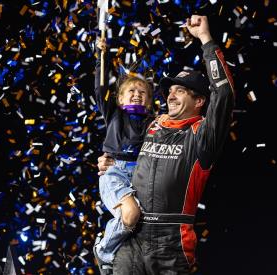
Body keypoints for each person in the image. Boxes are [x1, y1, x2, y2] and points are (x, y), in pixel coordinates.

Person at [97, 15, 235, 274]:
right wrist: (107, 160)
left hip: (172, 244)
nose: (171, 95)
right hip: (132, 239)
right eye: (170, 90)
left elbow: (224, 93)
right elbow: (120, 144)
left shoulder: (202, 135)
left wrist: (205, 40)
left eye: (180, 91)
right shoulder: (151, 125)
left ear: (199, 102)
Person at [92, 34, 161, 274]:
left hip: (140, 176)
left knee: (136, 221)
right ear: (120, 98)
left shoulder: (153, 123)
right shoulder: (114, 114)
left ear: (150, 101)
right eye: (131, 90)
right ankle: (104, 252)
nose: (136, 94)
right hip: (114, 171)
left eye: (143, 92)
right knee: (131, 215)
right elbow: (100, 88)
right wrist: (102, 55)